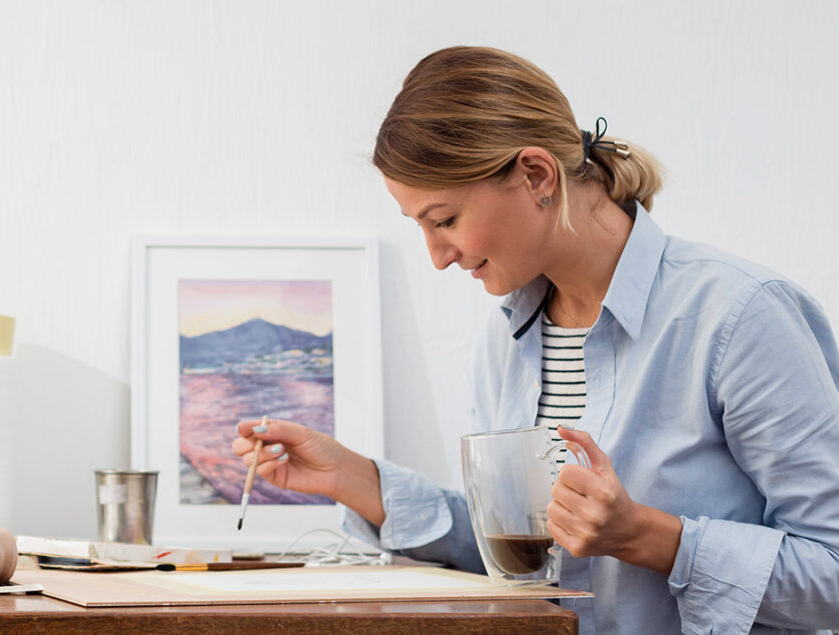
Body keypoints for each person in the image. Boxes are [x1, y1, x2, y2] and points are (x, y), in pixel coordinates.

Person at [232, 46, 839, 634]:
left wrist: (646, 535)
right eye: (421, 226)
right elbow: (525, 561)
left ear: (536, 174)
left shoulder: (740, 317)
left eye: (444, 221)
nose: (438, 257)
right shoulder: (507, 342)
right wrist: (357, 481)